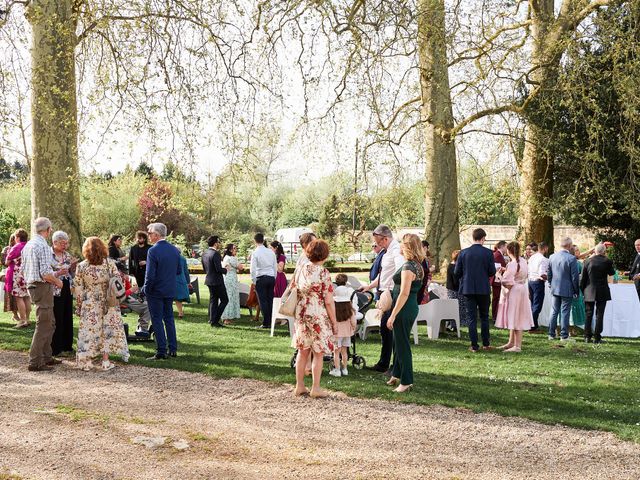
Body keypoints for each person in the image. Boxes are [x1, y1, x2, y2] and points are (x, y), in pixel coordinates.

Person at [75, 237, 130, 371]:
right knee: (107, 330)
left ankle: (86, 362)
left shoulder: (81, 266)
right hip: (108, 302)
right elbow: (118, 282)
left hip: (90, 302)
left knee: (89, 330)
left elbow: (78, 289)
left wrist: (78, 305)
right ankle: (105, 361)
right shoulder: (109, 263)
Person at [291, 239, 337, 398]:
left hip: (302, 313)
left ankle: (299, 386)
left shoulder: (300, 269)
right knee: (318, 352)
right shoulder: (323, 273)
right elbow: (329, 301)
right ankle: (316, 388)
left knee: (302, 351)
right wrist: (334, 322)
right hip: (318, 314)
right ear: (324, 255)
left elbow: (293, 289)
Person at [359, 225, 404, 373]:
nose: (378, 245)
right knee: (385, 329)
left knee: (388, 327)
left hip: (390, 294)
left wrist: (392, 289)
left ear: (386, 238)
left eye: (379, 242)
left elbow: (400, 270)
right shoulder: (386, 251)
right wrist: (368, 287)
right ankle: (385, 363)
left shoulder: (396, 250)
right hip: (384, 292)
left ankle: (391, 364)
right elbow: (383, 274)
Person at [21, 217, 63, 372]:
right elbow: (45, 273)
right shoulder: (43, 245)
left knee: (49, 322)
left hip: (33, 286)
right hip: (42, 286)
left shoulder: (28, 245)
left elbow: (23, 269)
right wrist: (58, 281)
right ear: (48, 229)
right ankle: (35, 361)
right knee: (44, 324)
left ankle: (46, 356)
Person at [386, 233, 424, 393]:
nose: (399, 246)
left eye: (402, 244)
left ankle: (406, 381)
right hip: (409, 306)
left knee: (402, 345)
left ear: (407, 247)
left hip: (404, 308)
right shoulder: (416, 264)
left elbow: (404, 293)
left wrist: (393, 314)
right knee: (397, 341)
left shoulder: (409, 267)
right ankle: (396, 373)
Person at [143, 223, 181, 360]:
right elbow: (178, 271)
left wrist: (146, 289)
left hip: (156, 290)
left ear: (157, 235)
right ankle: (173, 349)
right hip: (170, 289)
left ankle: (161, 350)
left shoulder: (153, 251)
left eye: (150, 233)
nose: (149, 235)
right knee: (169, 319)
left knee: (157, 320)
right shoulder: (175, 250)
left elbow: (150, 275)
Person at [454, 228, 496, 352]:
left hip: (468, 288)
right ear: (482, 238)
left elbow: (457, 272)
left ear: (473, 237)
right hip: (483, 288)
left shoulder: (463, 253)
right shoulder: (488, 253)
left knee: (471, 317)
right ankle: (486, 343)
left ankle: (474, 345)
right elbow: (492, 271)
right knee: (484, 317)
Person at [495, 242, 534, 352]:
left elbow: (507, 282)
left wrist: (499, 275)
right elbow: (520, 273)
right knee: (517, 314)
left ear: (508, 251)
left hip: (515, 291)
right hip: (522, 288)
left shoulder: (512, 264)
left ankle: (517, 346)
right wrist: (505, 270)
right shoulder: (523, 261)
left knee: (516, 316)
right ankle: (511, 342)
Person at [581, 243, 615, 344]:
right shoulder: (607, 261)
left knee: (588, 314)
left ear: (595, 251)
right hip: (602, 290)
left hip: (589, 289)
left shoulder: (587, 261)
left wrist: (582, 290)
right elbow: (612, 273)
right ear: (604, 251)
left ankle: (587, 336)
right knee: (600, 314)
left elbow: (583, 278)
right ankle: (597, 337)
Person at [547, 237, 580, 341]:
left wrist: (550, 283)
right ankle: (564, 335)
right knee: (565, 312)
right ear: (570, 246)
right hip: (567, 289)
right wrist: (576, 290)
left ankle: (551, 334)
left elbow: (549, 273)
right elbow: (575, 277)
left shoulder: (552, 257)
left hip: (555, 287)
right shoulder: (571, 258)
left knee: (554, 311)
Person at [50, 231, 76, 357]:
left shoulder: (67, 255)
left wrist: (73, 267)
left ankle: (67, 345)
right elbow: (46, 272)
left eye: (66, 243)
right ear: (54, 242)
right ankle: (56, 347)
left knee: (67, 315)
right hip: (55, 287)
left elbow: (71, 273)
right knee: (57, 316)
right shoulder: (49, 255)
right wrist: (58, 273)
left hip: (67, 286)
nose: (64, 245)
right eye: (62, 243)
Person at [328, 284, 357, 378]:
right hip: (347, 333)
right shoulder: (350, 309)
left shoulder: (334, 309)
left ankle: (337, 370)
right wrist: (353, 328)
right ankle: (345, 369)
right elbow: (353, 321)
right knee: (344, 352)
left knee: (336, 352)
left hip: (337, 333)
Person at [251, 233, 277, 329]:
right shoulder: (271, 252)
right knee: (270, 300)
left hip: (261, 277)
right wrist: (274, 277)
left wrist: (253, 281)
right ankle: (270, 320)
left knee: (263, 301)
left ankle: (266, 322)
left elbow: (253, 269)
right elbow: (275, 266)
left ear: (255, 241)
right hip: (271, 277)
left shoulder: (255, 252)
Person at [6, 229, 31, 328]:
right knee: (26, 296)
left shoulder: (16, 247)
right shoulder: (29, 246)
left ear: (18, 237)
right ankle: (28, 319)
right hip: (27, 273)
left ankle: (22, 320)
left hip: (17, 275)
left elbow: (7, 262)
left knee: (19, 297)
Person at [202, 235, 228, 328]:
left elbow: (204, 268)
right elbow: (218, 269)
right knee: (225, 300)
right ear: (215, 243)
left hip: (209, 279)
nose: (219, 244)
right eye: (219, 242)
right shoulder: (215, 254)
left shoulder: (205, 253)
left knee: (213, 300)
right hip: (217, 281)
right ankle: (215, 320)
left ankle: (212, 319)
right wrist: (225, 269)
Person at [119, 271, 152, 336]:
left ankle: (142, 328)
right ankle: (143, 328)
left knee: (147, 305)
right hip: (119, 300)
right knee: (147, 306)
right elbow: (118, 296)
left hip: (126, 298)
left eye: (124, 274)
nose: (124, 275)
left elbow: (128, 291)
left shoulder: (124, 279)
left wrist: (136, 294)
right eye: (122, 274)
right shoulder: (114, 280)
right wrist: (131, 290)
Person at [527, 241, 549, 332]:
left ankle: (533, 324)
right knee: (537, 305)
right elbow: (542, 274)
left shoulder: (532, 257)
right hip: (538, 283)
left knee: (532, 304)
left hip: (530, 282)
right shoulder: (543, 259)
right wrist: (551, 277)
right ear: (545, 248)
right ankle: (532, 326)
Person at [221, 243, 243, 325]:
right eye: (234, 248)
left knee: (229, 296)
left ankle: (227, 317)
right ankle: (227, 318)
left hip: (227, 278)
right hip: (231, 279)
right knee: (230, 297)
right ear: (230, 250)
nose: (235, 250)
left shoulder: (226, 257)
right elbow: (240, 267)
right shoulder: (232, 258)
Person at [2, 234, 19, 323]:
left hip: (19, 274)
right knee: (11, 295)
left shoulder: (21, 248)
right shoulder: (7, 249)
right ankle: (15, 314)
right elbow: (4, 262)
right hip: (10, 274)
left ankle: (20, 314)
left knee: (19, 295)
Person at [570, 245, 587, 329]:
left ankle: (575, 326)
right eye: (576, 251)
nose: (578, 252)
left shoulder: (579, 263)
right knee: (571, 308)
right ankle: (571, 326)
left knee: (576, 306)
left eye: (578, 250)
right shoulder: (576, 263)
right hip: (573, 288)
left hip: (576, 287)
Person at [491, 241, 508, 322]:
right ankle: (495, 316)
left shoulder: (498, 254)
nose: (507, 249)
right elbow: (497, 268)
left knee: (496, 298)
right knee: (497, 298)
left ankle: (496, 316)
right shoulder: (498, 255)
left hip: (497, 279)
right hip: (497, 280)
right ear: (502, 246)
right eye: (506, 247)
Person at [174, 253, 191, 319]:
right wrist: (188, 281)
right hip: (180, 279)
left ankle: (168, 312)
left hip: (171, 279)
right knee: (179, 298)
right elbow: (186, 271)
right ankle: (180, 313)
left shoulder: (169, 257)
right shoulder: (183, 258)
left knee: (169, 297)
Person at [417, 240, 432, 305]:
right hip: (421, 283)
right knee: (421, 301)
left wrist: (429, 279)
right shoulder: (419, 258)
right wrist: (430, 270)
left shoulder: (426, 258)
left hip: (425, 283)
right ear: (425, 248)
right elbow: (421, 269)